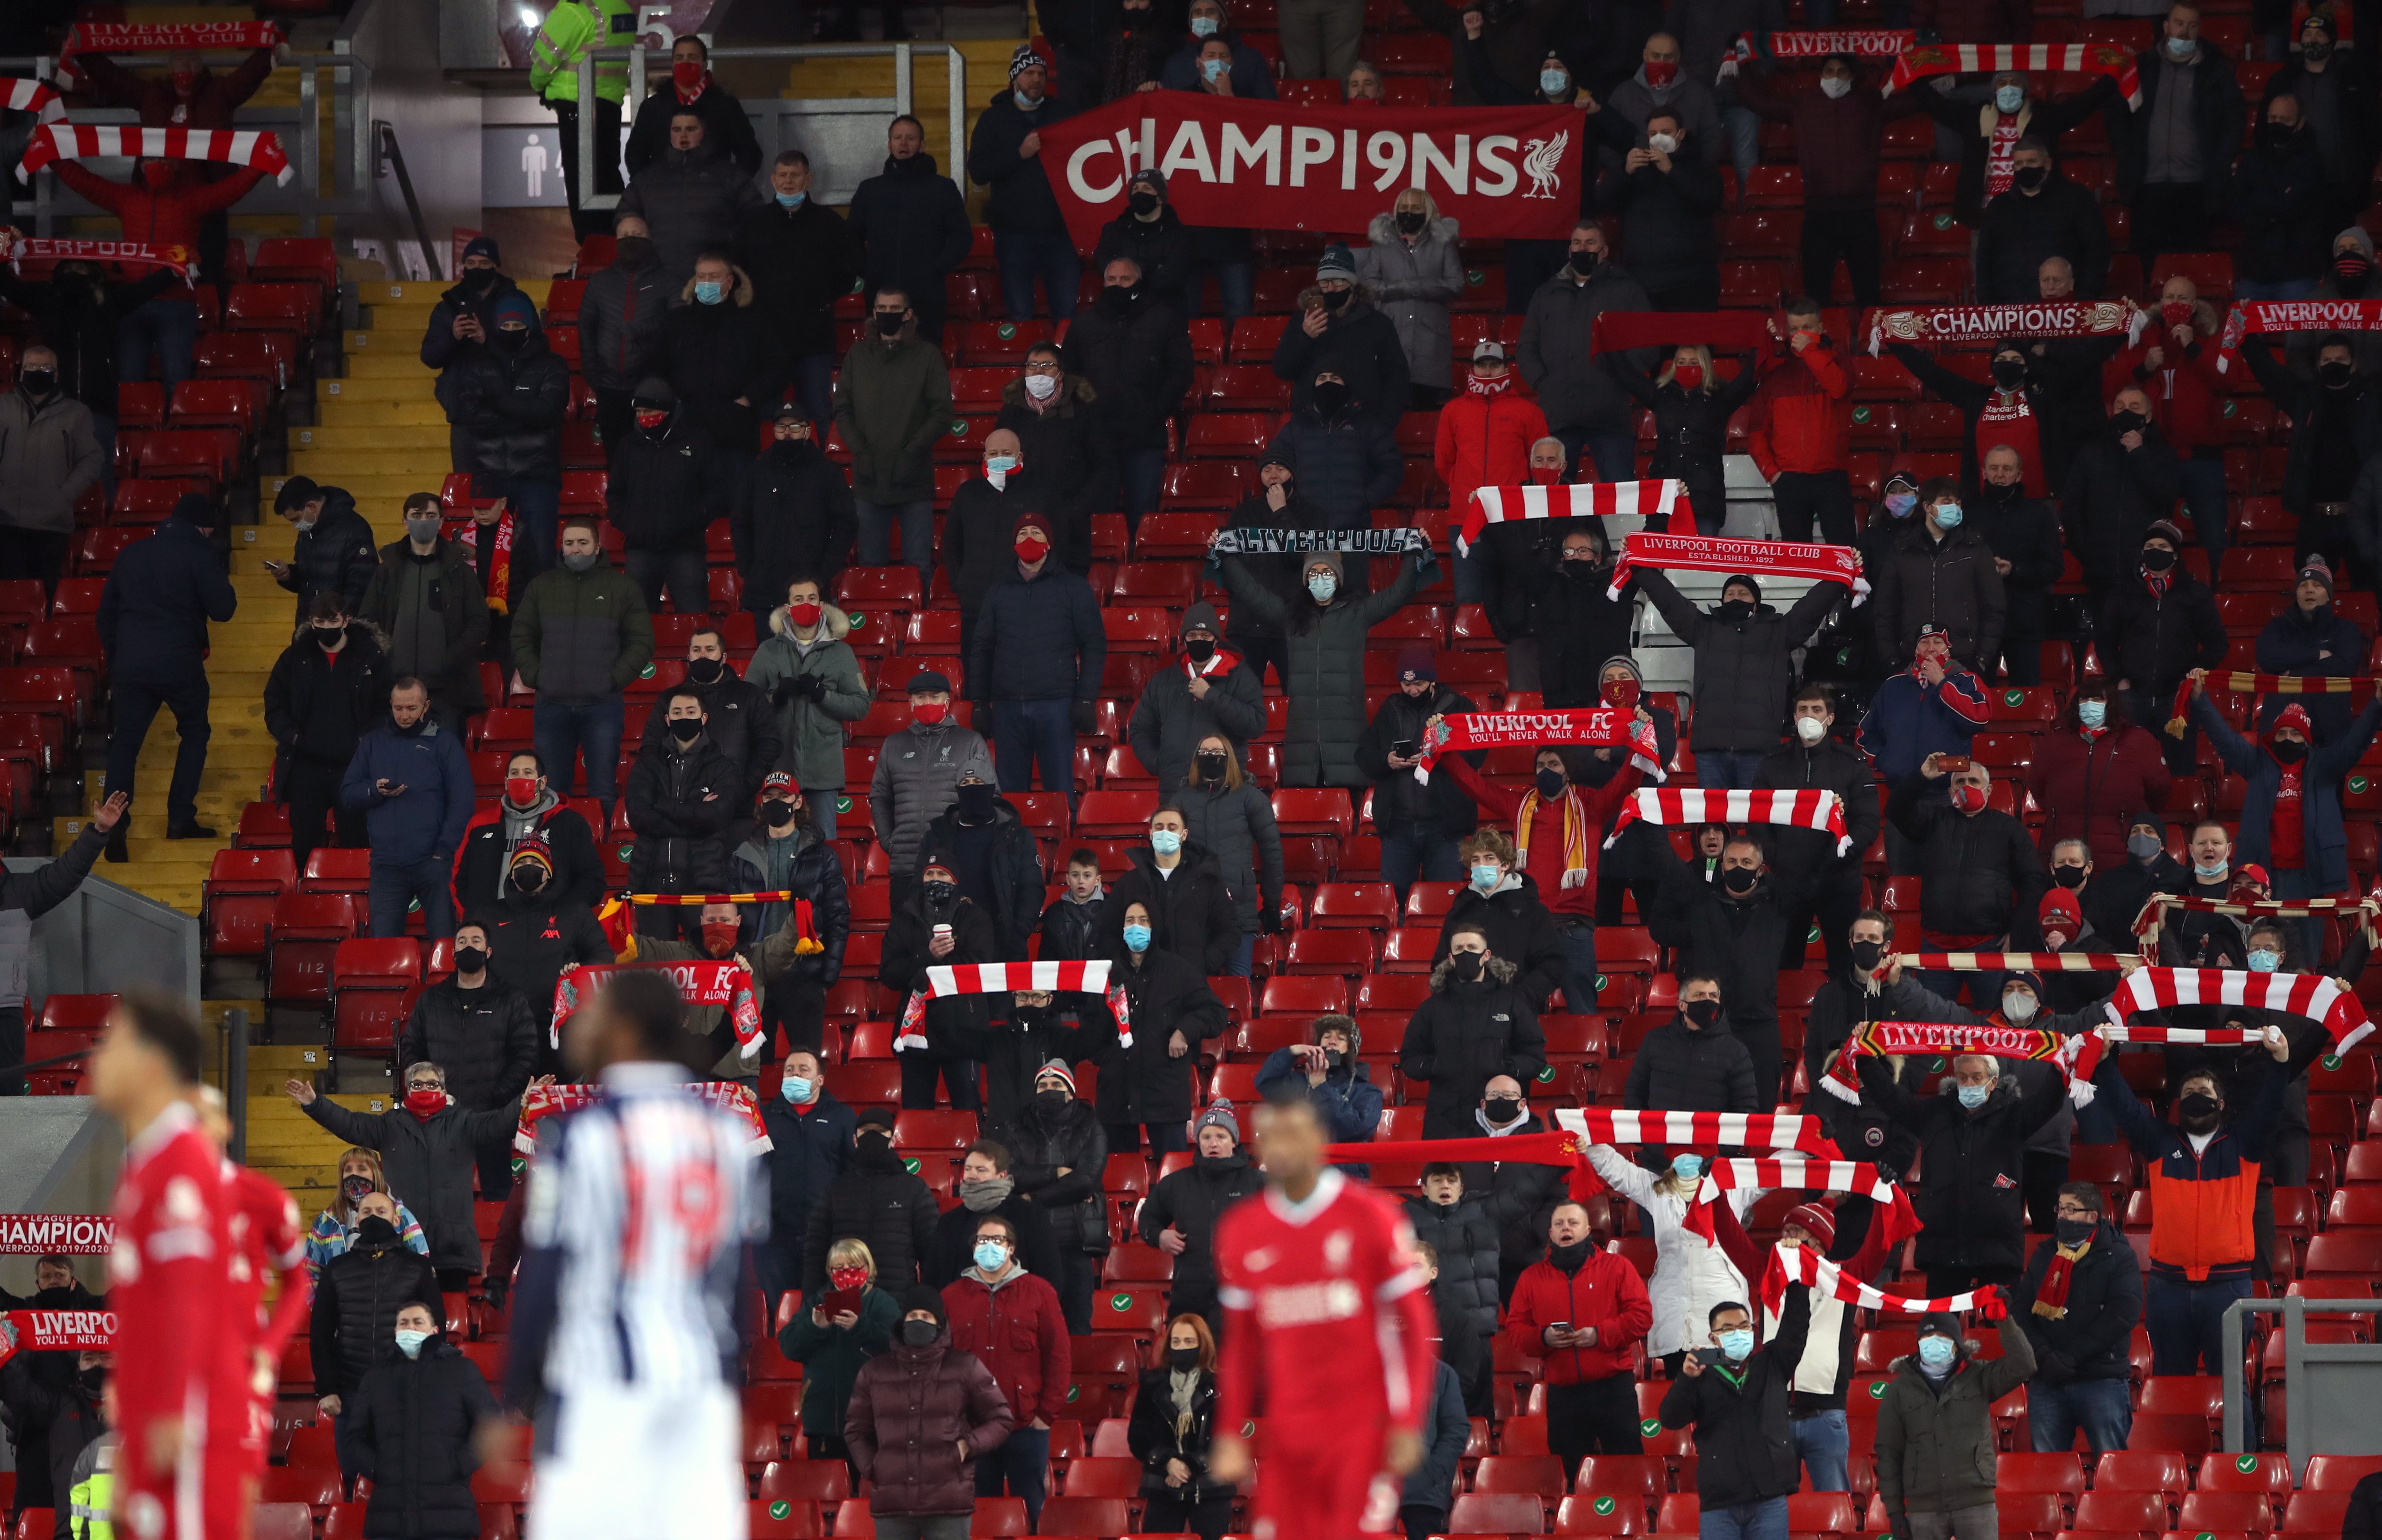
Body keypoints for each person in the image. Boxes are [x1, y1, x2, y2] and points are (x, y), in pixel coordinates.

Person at [506, 970, 757, 1540]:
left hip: (602, 1388)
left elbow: (542, 1273)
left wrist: (514, 1389)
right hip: (696, 1385)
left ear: (623, 1031)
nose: (582, 1022)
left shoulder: (576, 1138)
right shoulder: (724, 1136)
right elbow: (737, 1279)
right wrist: (727, 1383)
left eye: (594, 1012)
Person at [1206, 1098, 1437, 1536]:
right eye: (1270, 1136)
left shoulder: (1371, 1215)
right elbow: (1240, 1344)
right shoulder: (1241, 1229)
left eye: (1292, 1133)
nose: (1281, 1146)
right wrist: (1230, 1429)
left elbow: (1416, 1327)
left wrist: (1407, 1421)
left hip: (1361, 1427)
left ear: (1318, 1140)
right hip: (1288, 1430)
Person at [287, 1058, 525, 1287]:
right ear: (407, 1090)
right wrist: (315, 1103)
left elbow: (499, 1123)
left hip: (452, 1251)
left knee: (446, 1323)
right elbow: (350, 1123)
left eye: (432, 1084)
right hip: (398, 1249)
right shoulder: (389, 1125)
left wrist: (522, 1104)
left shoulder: (465, 1123)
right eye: (417, 1084)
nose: (425, 1089)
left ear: (444, 1090)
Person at [1218, 545, 1435, 789]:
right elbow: (1252, 594)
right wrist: (1225, 557)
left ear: (1338, 577)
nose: (1320, 579)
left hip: (1349, 736)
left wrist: (1413, 553)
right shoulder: (1291, 617)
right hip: (1303, 740)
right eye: (1313, 573)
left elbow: (1398, 593)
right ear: (1305, 580)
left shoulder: (1357, 613)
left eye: (1327, 572)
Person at [49, 158, 266, 398]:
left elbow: (231, 189)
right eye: (151, 158)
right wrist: (50, 156)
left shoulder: (189, 199)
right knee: (129, 383)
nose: (157, 164)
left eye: (163, 158)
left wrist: (262, 163)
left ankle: (179, 434)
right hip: (132, 303)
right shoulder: (127, 197)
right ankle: (130, 435)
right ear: (140, 163)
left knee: (177, 382)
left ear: (176, 164)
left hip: (174, 303)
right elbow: (84, 183)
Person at [96, 494, 236, 856]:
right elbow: (224, 610)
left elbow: (105, 616)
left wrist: (119, 657)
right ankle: (179, 819)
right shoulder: (200, 553)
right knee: (194, 731)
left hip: (130, 664)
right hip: (178, 663)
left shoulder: (132, 553)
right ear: (203, 527)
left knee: (126, 743)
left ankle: (114, 825)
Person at [1636, 567, 1849, 789]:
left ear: (1756, 604)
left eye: (1744, 593)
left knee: (1756, 822)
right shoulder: (1703, 628)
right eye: (1730, 594)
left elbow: (1812, 607)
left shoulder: (1779, 632)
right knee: (1714, 823)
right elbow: (1670, 602)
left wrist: (1841, 573)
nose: (1736, 597)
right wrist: (1638, 565)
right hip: (1711, 750)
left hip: (1759, 749)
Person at [2190, 673, 2382, 918]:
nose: (2288, 738)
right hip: (2263, 873)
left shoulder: (2324, 765)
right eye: (2282, 733)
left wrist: (2377, 705)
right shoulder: (2258, 763)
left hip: (2309, 875)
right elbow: (2225, 740)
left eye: (2295, 733)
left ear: (2306, 740)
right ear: (2273, 737)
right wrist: (2201, 700)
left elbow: (2356, 743)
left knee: (2305, 951)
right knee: (2261, 945)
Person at [1489, 1199, 1650, 1477]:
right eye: (1559, 1224)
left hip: (1614, 1389)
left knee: (1626, 1471)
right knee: (1570, 1475)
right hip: (1564, 1394)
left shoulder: (1617, 1267)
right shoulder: (1531, 1278)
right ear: (1550, 1234)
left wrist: (1599, 1335)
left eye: (1573, 1223)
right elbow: (1516, 1330)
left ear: (1588, 1230)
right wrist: (1544, 1338)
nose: (1566, 1228)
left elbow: (1642, 1317)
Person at [511, 515, 655, 820]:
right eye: (569, 543)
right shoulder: (542, 586)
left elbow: (642, 641)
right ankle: (552, 856)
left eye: (582, 543)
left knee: (602, 790)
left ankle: (599, 858)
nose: (576, 549)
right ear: (561, 548)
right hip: (552, 705)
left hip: (602, 706)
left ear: (598, 546)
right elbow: (522, 635)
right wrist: (536, 676)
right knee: (551, 792)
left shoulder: (622, 587)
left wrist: (612, 679)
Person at [1739, 57, 1913, 309]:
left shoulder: (1870, 103)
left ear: (1852, 76)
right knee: (1815, 299)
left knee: (1870, 298)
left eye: (1842, 72)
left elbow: (1918, 101)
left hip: (1861, 215)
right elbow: (1758, 101)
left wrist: (1921, 61)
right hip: (1818, 216)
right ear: (1820, 74)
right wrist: (1740, 60)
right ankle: (1816, 348)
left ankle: (1873, 347)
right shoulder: (1804, 104)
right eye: (1829, 71)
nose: (1834, 77)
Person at [844, 1286, 1017, 1540]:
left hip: (948, 1503)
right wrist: (873, 1467)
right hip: (893, 1504)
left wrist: (967, 1446)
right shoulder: (874, 1371)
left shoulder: (965, 1366)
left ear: (939, 1324)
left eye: (927, 1317)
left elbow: (1001, 1419)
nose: (918, 1322)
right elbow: (856, 1430)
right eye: (913, 1315)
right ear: (902, 1322)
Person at [1069, 893, 1230, 1154]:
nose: (1136, 927)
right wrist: (1107, 1057)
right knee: (1119, 1177)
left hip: (1165, 1094)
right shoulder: (1107, 975)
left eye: (1143, 920)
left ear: (1154, 927)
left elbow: (1215, 1013)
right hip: (1117, 1094)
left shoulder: (1179, 970)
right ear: (1121, 928)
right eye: (1130, 920)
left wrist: (1184, 1031)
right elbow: (1091, 1024)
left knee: (1173, 1175)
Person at [940, 1210, 1070, 1528]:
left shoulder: (1040, 1292)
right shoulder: (952, 1295)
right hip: (971, 1425)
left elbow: (1059, 1355)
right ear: (973, 1247)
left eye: (997, 1239)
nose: (989, 1246)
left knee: (1032, 1510)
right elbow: (940, 1359)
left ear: (1011, 1247)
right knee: (980, 1514)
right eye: (982, 1240)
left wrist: (1046, 1415)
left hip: (1025, 1422)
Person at [308, 1190, 445, 1488]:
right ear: (356, 1219)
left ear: (396, 1219)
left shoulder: (418, 1268)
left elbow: (438, 1329)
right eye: (366, 1211)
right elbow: (320, 1331)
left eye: (381, 1211)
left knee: (407, 1479)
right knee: (352, 1480)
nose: (373, 1217)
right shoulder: (337, 1268)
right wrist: (327, 1388)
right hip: (350, 1392)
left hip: (405, 1390)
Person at [1890, 754, 2049, 1007]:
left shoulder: (2009, 829)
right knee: (1934, 1028)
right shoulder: (1933, 820)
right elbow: (1896, 810)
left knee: (1994, 1025)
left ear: (1989, 790)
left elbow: (2033, 881)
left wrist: (2019, 934)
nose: (1967, 786)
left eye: (1974, 781)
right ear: (1950, 790)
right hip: (1936, 946)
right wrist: (1921, 778)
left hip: (1989, 947)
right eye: (1960, 781)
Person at [968, 510, 1105, 802]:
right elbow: (981, 647)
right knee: (1009, 802)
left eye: (1036, 533)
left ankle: (1062, 847)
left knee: (1058, 796)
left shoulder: (1073, 588)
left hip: (1056, 706)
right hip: (1006, 710)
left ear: (1049, 542)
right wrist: (979, 701)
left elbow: (1094, 644)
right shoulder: (998, 591)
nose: (1029, 538)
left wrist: (1085, 699)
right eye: (1022, 534)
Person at [398, 920, 539, 1199]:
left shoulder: (510, 999)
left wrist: (498, 1095)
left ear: (488, 951)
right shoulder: (432, 1000)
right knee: (439, 1197)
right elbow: (411, 1047)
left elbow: (526, 1053)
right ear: (453, 954)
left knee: (498, 1194)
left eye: (476, 941)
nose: (468, 946)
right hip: (440, 1117)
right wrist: (428, 1092)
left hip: (491, 1118)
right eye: (462, 942)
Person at [1659, 1290, 1814, 1540]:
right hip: (1720, 1502)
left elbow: (1795, 1325)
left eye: (1744, 1326)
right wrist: (1687, 1380)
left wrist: (1798, 1282)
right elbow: (1670, 1418)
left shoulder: (1773, 1363)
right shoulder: (1701, 1373)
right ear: (1713, 1338)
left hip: (1769, 1498)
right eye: (1728, 1329)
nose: (1738, 1333)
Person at [1874, 1304, 2037, 1540]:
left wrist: (2005, 1322)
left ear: (1957, 1343)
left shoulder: (1979, 1376)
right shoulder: (1899, 1390)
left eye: (1942, 1335)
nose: (1933, 1342)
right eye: (1928, 1336)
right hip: (1924, 1509)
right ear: (1919, 1342)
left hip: (1975, 1502)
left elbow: (2025, 1365)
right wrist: (1895, 1510)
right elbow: (1889, 1451)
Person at [1651, 836, 1794, 1105]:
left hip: (1759, 1022)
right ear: (1722, 867)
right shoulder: (1702, 902)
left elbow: (1805, 870)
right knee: (1706, 1105)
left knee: (1762, 1104)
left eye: (1746, 862)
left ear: (1761, 869)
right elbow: (1670, 866)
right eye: (1731, 861)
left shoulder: (1778, 905)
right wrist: (1646, 820)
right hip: (1711, 1021)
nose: (1738, 867)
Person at [346, 1296, 501, 1537]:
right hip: (389, 1519)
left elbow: (491, 1427)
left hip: (448, 1518)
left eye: (419, 1322)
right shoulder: (375, 1377)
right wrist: (378, 1468)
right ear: (395, 1330)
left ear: (435, 1330)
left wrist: (457, 1465)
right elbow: (355, 1438)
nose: (411, 1328)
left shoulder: (462, 1371)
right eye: (404, 1323)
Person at [1756, 685, 1878, 980]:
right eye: (1803, 710)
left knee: (1846, 968)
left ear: (1830, 718)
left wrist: (1841, 857)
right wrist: (1776, 858)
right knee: (1782, 967)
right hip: (1786, 883)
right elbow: (1758, 818)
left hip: (1839, 882)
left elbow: (1868, 821)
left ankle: (1847, 1026)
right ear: (1794, 716)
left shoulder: (1853, 764)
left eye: (1817, 710)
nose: (1809, 716)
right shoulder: (1772, 762)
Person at [656, 252, 781, 539]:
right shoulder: (676, 322)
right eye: (702, 277)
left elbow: (777, 367)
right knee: (686, 523)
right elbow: (656, 368)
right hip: (686, 437)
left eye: (714, 277)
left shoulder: (753, 322)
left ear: (730, 281)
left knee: (740, 522)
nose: (707, 283)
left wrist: (749, 398)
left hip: (735, 439)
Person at [2011, 1181, 2142, 1453]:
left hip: (2101, 1379)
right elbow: (2021, 1311)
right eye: (2060, 1208)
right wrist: (2045, 1356)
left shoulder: (2118, 1256)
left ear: (2092, 1217)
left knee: (2111, 1467)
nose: (2062, 1215)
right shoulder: (2045, 1254)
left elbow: (2123, 1314)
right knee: (2048, 1473)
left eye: (2071, 1209)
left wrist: (2071, 1357)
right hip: (2048, 1380)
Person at [1064, 255, 1195, 526]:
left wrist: (1157, 411)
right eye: (1111, 279)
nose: (1117, 285)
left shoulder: (1164, 319)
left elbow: (1181, 372)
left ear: (1139, 282)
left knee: (1143, 515)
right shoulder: (1084, 324)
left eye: (1125, 280)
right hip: (1097, 439)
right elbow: (1068, 376)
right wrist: (1084, 415)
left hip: (1144, 438)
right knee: (1098, 518)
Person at [2241, 331, 2382, 581]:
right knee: (2311, 594)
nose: (2334, 365)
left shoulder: (2372, 397)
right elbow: (2268, 372)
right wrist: (2246, 331)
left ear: (2355, 364)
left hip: (2363, 520)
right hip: (2316, 521)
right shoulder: (2304, 397)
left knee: (2371, 595)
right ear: (2318, 365)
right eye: (2327, 361)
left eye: (2341, 359)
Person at [339, 677, 473, 940]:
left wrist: (443, 851)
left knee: (444, 946)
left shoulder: (444, 744)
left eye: (412, 708)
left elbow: (463, 801)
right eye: (398, 708)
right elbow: (347, 794)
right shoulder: (372, 744)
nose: (404, 715)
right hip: (386, 865)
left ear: (426, 707)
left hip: (433, 864)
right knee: (383, 950)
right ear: (391, 705)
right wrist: (374, 791)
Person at [837, 285, 954, 585]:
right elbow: (843, 409)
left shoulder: (927, 356)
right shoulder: (857, 355)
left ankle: (920, 631)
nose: (887, 315)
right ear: (873, 313)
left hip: (913, 479)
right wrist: (860, 452)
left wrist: (911, 451)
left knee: (919, 567)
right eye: (882, 309)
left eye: (894, 309)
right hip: (868, 478)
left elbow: (942, 414)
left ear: (909, 314)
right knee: (869, 567)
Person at [733, 150, 858, 432]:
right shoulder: (753, 224)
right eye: (784, 176)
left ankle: (820, 472)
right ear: (773, 180)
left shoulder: (830, 223)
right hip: (765, 340)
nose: (789, 181)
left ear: (808, 179)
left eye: (796, 175)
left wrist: (824, 300)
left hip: (813, 340)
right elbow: (737, 275)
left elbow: (848, 271)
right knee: (766, 415)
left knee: (817, 415)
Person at [1521, 222, 1656, 481]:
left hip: (1610, 414)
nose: (1583, 249)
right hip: (1558, 413)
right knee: (1556, 501)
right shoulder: (1546, 293)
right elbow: (1527, 345)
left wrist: (1620, 378)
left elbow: (1648, 344)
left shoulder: (1627, 289)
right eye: (1577, 243)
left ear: (1604, 251)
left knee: (1620, 499)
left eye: (1590, 243)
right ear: (1569, 249)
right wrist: (1543, 382)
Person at [741, 582, 870, 838]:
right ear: (788, 608)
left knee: (823, 847)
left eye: (812, 598)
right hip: (780, 769)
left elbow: (861, 706)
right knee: (777, 843)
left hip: (823, 772)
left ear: (822, 606)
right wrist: (775, 697)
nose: (806, 605)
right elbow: (746, 704)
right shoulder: (768, 650)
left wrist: (824, 695)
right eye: (799, 599)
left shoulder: (841, 652)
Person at [2099, 520, 2226, 776]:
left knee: (2178, 771)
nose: (2155, 550)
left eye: (2162, 546)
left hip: (2177, 700)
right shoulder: (2123, 593)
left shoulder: (2195, 594)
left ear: (2176, 554)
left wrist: (2191, 676)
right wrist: (2119, 678)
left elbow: (2218, 643)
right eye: (2149, 545)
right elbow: (2105, 640)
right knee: (2129, 771)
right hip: (2131, 697)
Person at [990, 1059, 1109, 1334]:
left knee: (1076, 1325)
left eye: (1057, 1084)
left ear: (1071, 1091)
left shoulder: (1090, 1124)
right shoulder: (1018, 1124)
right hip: (1028, 1242)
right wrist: (1056, 1173)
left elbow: (1086, 1181)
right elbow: (1009, 1174)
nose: (1049, 1089)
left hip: (1075, 1242)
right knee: (1028, 1325)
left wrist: (1033, 1199)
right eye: (1043, 1085)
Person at [1400, 921, 1549, 1138]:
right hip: (1443, 1119)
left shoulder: (1511, 1004)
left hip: (1497, 1119)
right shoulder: (1432, 1008)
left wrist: (1504, 1067)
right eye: (1459, 949)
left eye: (1472, 948)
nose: (1466, 954)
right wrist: (1436, 1066)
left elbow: (1535, 1057)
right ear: (1451, 958)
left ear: (1486, 955)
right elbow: (1409, 1058)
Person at [1357, 650, 1483, 907]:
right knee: (1395, 903)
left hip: (1446, 828)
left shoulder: (1460, 708)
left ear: (1433, 682)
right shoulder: (1390, 709)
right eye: (1406, 684)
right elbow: (1364, 755)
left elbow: (1476, 756)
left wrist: (1438, 757)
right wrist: (1387, 760)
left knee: (1447, 901)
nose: (1412, 690)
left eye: (1419, 684)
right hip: (1398, 827)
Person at [357, 493, 489, 735]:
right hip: (395, 691)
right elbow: (367, 621)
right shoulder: (387, 570)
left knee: (443, 764)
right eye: (416, 516)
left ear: (441, 522)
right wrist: (387, 658)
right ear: (405, 522)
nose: (423, 521)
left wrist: (448, 659)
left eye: (431, 516)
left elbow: (479, 623)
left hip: (446, 690)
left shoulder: (460, 571)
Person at [468, 834, 615, 1048]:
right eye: (521, 863)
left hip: (561, 1029)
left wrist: (580, 971)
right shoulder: (488, 915)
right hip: (501, 1031)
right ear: (511, 873)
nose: (529, 868)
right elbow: (470, 964)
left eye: (537, 863)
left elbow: (604, 957)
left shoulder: (574, 912)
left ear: (548, 873)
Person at [847, 117, 975, 348]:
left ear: (922, 145)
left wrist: (935, 269)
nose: (903, 143)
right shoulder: (870, 190)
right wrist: (868, 270)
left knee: (925, 362)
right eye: (898, 138)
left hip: (926, 297)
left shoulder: (942, 189)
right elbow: (850, 238)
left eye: (911, 138)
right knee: (880, 365)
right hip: (880, 296)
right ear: (889, 145)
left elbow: (962, 237)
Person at [869, 671, 996, 904]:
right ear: (911, 703)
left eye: (935, 697)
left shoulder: (970, 742)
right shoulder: (894, 744)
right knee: (905, 938)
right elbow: (879, 796)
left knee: (952, 939)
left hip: (955, 868)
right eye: (920, 697)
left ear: (947, 702)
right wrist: (890, 841)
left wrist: (967, 843)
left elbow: (991, 796)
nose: (927, 703)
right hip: (905, 866)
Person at [779, 1235, 898, 1478]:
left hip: (870, 1423)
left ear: (868, 1268)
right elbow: (789, 1346)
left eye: (854, 1267)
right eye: (839, 1268)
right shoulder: (816, 1302)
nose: (847, 1273)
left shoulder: (882, 1302)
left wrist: (860, 1327)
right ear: (829, 1271)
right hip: (823, 1422)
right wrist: (815, 1327)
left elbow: (899, 1345)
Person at [883, 855, 998, 1109]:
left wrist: (932, 966)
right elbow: (889, 971)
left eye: (942, 875)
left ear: (956, 880)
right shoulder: (906, 916)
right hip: (916, 1031)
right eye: (930, 875)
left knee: (968, 1109)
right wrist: (928, 956)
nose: (935, 880)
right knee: (915, 1111)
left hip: (963, 1029)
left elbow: (980, 966)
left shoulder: (975, 917)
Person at [1743, 301, 1856, 546]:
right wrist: (1773, 474)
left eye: (1807, 327)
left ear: (1821, 327)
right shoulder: (1776, 374)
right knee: (1796, 556)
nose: (1801, 334)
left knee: (1844, 551)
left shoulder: (1840, 362)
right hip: (1789, 480)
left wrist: (1810, 351)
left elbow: (1838, 387)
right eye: (1795, 328)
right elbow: (1755, 432)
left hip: (1832, 475)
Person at [601, 374, 715, 616]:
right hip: (640, 551)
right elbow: (615, 494)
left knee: (695, 621)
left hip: (686, 550)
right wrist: (630, 524)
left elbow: (715, 492)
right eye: (639, 411)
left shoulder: (697, 442)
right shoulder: (629, 446)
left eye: (649, 411)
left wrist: (689, 521)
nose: (643, 417)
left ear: (667, 409)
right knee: (638, 626)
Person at [623, 685, 740, 915]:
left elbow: (717, 817)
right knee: (654, 952)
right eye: (677, 713)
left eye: (690, 712)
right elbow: (638, 816)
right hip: (650, 880)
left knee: (699, 953)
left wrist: (663, 805)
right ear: (667, 719)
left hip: (702, 882)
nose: (683, 717)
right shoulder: (648, 764)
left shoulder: (723, 767)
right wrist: (695, 814)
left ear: (704, 718)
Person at [615, 109, 766, 287]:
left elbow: (757, 222)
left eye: (691, 129)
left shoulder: (730, 176)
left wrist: (730, 250)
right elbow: (624, 218)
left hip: (713, 281)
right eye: (677, 130)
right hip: (658, 282)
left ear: (704, 132)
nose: (683, 135)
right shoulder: (647, 180)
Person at [2027, 682, 2173, 866]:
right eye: (2084, 699)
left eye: (2097, 699)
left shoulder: (2139, 741)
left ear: (2112, 703)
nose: (2090, 704)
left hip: (2121, 858)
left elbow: (2160, 792)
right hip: (2064, 857)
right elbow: (2037, 787)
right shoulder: (2054, 741)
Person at [1873, 479, 2007, 675]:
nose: (1954, 509)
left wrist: (1982, 659)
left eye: (1958, 503)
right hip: (1911, 661)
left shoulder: (1975, 547)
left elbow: (1994, 608)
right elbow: (1885, 609)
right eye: (1946, 502)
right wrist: (1892, 661)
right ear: (1928, 507)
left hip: (1964, 660)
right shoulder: (1903, 548)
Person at [802, 1104, 940, 1295]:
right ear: (855, 1140)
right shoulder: (835, 1189)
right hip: (844, 1303)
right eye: (866, 1131)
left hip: (897, 1303)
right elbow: (815, 1253)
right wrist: (811, 1305)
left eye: (880, 1131)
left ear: (894, 1140)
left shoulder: (914, 1189)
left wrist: (927, 1304)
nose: (872, 1136)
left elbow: (931, 1254)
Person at [995, 344, 1110, 570]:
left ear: (1061, 374)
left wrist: (1076, 509)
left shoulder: (1084, 412)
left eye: (1047, 366)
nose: (1038, 372)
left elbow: (1104, 466)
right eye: (1032, 366)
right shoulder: (1010, 413)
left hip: (1069, 525)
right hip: (1019, 521)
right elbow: (997, 463)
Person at [2260, 12, 2377, 233]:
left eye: (2320, 34)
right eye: (2308, 34)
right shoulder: (2282, 80)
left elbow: (2371, 131)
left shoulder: (2353, 79)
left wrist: (2359, 173)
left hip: (2341, 187)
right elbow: (2264, 132)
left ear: (2333, 39)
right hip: (2293, 185)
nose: (2313, 40)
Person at [1400, 1165, 1503, 1414]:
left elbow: (1526, 1194)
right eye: (1437, 1181)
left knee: (1476, 1417)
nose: (1445, 1186)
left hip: (1476, 1333)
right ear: (1424, 1188)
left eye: (1451, 1180)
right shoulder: (1401, 1219)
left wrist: (1563, 1154)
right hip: (1422, 1327)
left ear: (1461, 1188)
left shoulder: (1485, 1215)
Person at [1272, 243, 1410, 428]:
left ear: (1352, 283)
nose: (1330, 288)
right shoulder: (1302, 322)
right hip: (1312, 426)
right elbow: (1283, 369)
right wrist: (1305, 337)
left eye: (1337, 281)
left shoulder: (1378, 323)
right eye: (1324, 282)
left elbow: (1397, 376)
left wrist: (1383, 423)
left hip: (1364, 426)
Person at [1265, 369, 1405, 551]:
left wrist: (1365, 499)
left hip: (1355, 532)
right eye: (1321, 378)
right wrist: (1293, 502)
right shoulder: (1295, 429)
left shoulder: (1367, 426)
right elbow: (1273, 466)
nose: (1328, 383)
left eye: (1335, 378)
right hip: (1305, 530)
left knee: (1354, 581)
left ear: (1347, 383)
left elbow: (1392, 468)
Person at [1130, 603, 1264, 791]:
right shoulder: (1163, 681)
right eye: (1192, 636)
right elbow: (1139, 729)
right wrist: (1159, 763)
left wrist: (1211, 696)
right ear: (1184, 640)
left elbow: (1255, 724)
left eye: (1205, 636)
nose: (1199, 640)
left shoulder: (1240, 676)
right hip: (1175, 787)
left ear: (1216, 640)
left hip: (1225, 786)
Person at [526, 0, 630, 238]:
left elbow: (542, 64)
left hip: (577, 105)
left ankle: (592, 246)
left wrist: (540, 87)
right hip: (609, 104)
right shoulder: (621, 8)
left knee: (581, 182)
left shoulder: (575, 10)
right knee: (606, 176)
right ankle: (617, 239)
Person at [1431, 828, 1568, 1009]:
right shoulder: (1459, 912)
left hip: (1516, 1015)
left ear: (1505, 864)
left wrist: (1519, 999)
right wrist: (1459, 998)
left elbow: (1553, 966)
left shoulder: (1533, 911)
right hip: (1465, 1014)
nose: (1481, 865)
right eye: (1475, 860)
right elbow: (1442, 964)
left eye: (1489, 858)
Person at [0, 346, 102, 589]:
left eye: (45, 368)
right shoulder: (2, 407)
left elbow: (92, 459)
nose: (39, 372)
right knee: (8, 600)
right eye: (32, 367)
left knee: (44, 597)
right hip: (5, 521)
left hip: (51, 524)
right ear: (21, 372)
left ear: (56, 375)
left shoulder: (77, 414)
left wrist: (63, 496)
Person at [576, 216, 676, 463]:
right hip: (609, 391)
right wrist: (594, 376)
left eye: (637, 236)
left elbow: (682, 326)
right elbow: (586, 329)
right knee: (617, 465)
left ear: (651, 240)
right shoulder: (599, 283)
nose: (630, 240)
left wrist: (645, 329)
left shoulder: (669, 282)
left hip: (652, 390)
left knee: (654, 464)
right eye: (624, 236)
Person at [1608, 109, 1726, 313]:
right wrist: (1625, 173)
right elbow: (1604, 201)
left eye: (1666, 132)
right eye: (1653, 134)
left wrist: (1671, 171)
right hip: (1642, 283)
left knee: (1691, 346)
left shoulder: (1702, 167)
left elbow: (1710, 200)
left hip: (1690, 283)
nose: (1659, 138)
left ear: (1681, 134)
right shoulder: (1636, 169)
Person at [454, 750, 603, 911]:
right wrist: (474, 916)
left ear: (543, 782)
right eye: (515, 773)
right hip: (490, 928)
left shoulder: (570, 824)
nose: (520, 778)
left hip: (551, 929)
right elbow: (458, 877)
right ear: (506, 782)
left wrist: (564, 915)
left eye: (528, 773)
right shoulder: (480, 824)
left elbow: (591, 878)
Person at [1129, 1315, 1236, 1540]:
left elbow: (1228, 1436)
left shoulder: (1223, 1385)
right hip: (1163, 1486)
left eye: (1189, 1341)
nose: (1181, 1347)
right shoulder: (1153, 1384)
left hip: (1211, 1488)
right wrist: (1167, 1461)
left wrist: (1188, 1465)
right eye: (1176, 1342)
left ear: (1203, 1344)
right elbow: (1138, 1435)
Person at [1356, 190, 1464, 411]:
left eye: (1416, 208)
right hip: (1390, 331)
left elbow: (1456, 284)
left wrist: (1417, 287)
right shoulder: (1382, 242)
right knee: (1387, 409)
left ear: (1428, 211)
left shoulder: (1443, 242)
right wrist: (1406, 287)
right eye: (1404, 207)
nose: (1409, 212)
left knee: (1425, 410)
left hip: (1431, 340)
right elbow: (1367, 286)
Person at [1967, 444, 2063, 683]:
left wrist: (2015, 570)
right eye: (1994, 468)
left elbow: (2054, 567)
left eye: (2007, 469)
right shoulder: (1968, 514)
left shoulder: (2039, 514)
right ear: (1984, 472)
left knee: (2027, 692)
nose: (2000, 475)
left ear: (2019, 475)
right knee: (1976, 695)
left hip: (2025, 621)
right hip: (1978, 621)